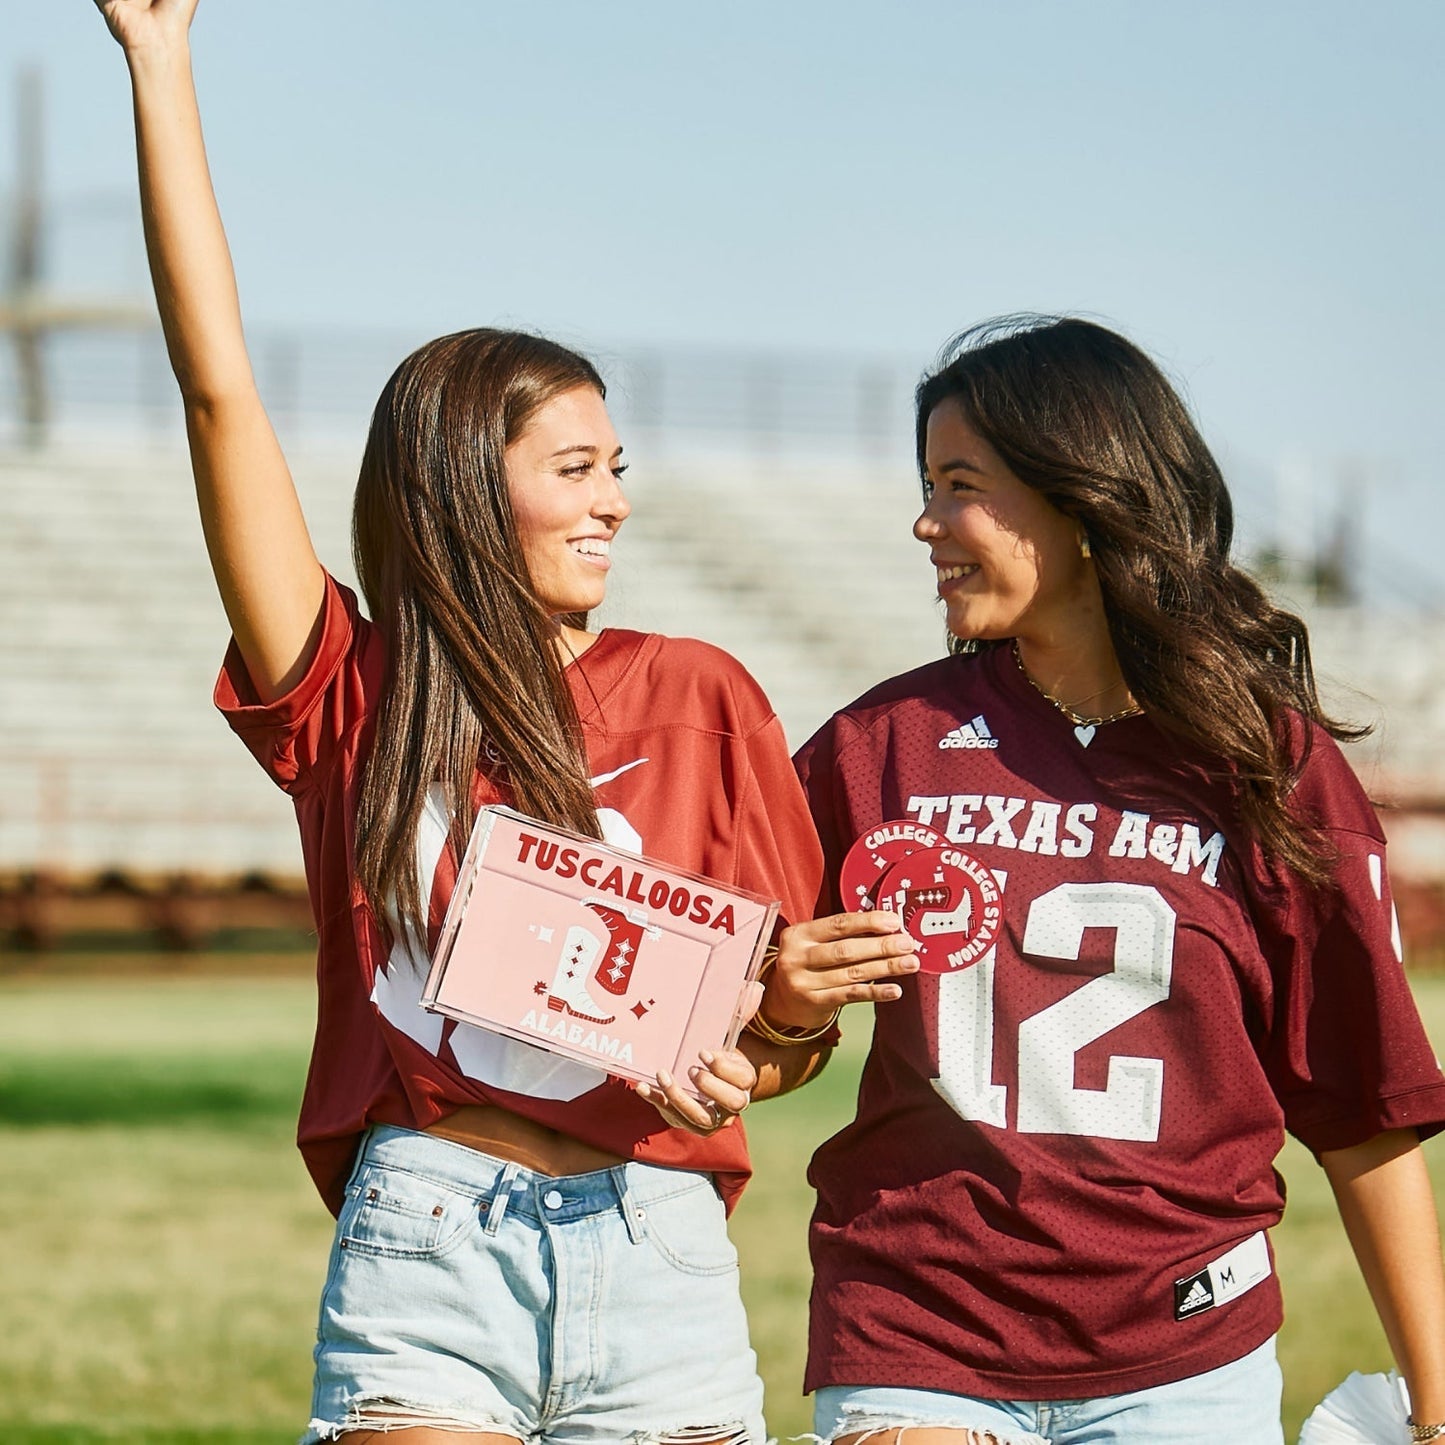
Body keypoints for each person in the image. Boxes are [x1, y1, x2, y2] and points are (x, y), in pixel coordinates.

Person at [94, 3, 908, 1441]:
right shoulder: (355, 686)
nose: (617, 501)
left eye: (620, 465)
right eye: (578, 467)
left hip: (660, 1248)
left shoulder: (706, 693)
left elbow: (781, 1046)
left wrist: (770, 1031)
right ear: (470, 484)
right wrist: (162, 67)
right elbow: (218, 396)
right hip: (428, 1241)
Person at [766, 315, 1445, 1444]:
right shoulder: (871, 747)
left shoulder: (1260, 765)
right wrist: (779, 1005)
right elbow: (753, 1050)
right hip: (917, 1327)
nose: (924, 520)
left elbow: (1361, 1103)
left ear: (1080, 501)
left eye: (959, 484)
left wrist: (1433, 1401)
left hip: (1186, 1345)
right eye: (925, 482)